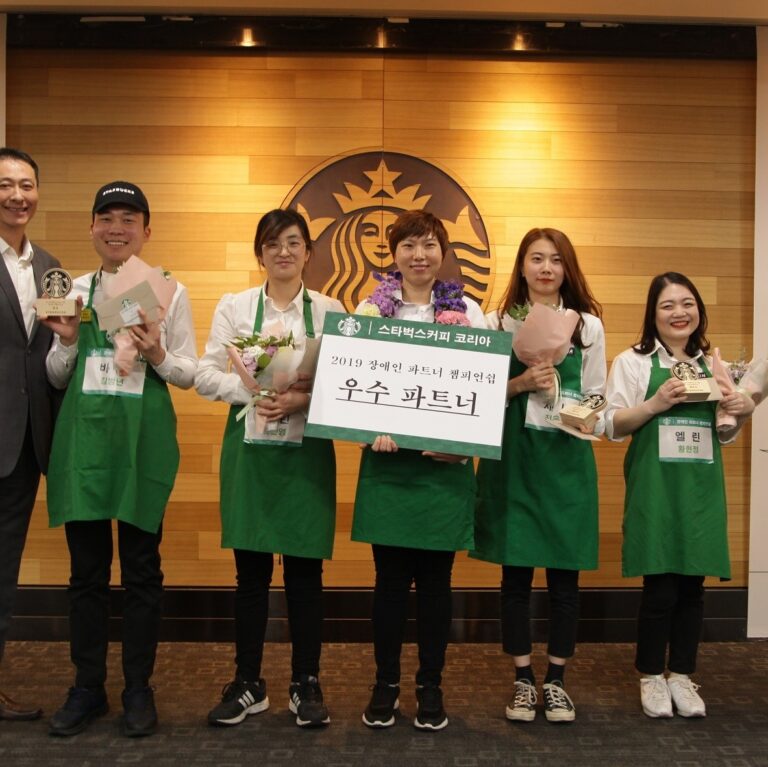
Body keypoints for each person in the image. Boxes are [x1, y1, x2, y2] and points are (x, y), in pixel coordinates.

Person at [44, 181, 198, 737]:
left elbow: (187, 372)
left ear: (146, 231)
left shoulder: (168, 290)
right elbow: (55, 376)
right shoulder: (71, 290)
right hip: (85, 446)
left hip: (140, 447)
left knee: (141, 572)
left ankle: (138, 688)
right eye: (106, 218)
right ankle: (87, 686)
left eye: (128, 219)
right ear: (92, 228)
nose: (116, 228)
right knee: (85, 575)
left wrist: (156, 351)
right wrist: (66, 340)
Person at [195, 208, 343, 729]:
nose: (284, 251)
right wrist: (252, 391)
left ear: (308, 252)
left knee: (305, 575)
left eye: (294, 242)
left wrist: (301, 400)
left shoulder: (330, 310)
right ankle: (248, 682)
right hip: (250, 451)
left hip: (306, 454)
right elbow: (205, 374)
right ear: (260, 253)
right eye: (273, 243)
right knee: (251, 575)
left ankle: (306, 682)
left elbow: (344, 386)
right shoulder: (234, 306)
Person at [351, 209, 486, 732]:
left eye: (428, 244)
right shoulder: (369, 310)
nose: (419, 255)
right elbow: (350, 383)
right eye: (408, 245)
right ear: (394, 255)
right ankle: (384, 684)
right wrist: (370, 429)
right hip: (388, 467)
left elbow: (483, 390)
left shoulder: (468, 312)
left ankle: (431, 685)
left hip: (442, 472)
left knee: (435, 585)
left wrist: (463, 447)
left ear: (443, 252)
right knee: (388, 583)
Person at [605, 272, 754, 719]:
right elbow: (612, 425)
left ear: (699, 312)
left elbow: (723, 435)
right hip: (656, 488)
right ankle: (651, 676)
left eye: (687, 303)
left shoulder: (714, 364)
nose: (679, 313)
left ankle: (682, 675)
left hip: (700, 490)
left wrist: (742, 410)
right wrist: (656, 403)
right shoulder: (632, 362)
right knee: (660, 587)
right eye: (668, 305)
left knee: (693, 587)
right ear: (653, 314)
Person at [472, 228, 605, 724]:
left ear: (567, 269)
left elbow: (597, 395)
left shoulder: (588, 326)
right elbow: (477, 394)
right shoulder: (497, 322)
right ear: (522, 266)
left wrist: (572, 411)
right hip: (513, 460)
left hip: (566, 463)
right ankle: (524, 679)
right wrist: (521, 383)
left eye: (556, 260)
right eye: (536, 258)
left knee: (565, 579)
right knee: (515, 576)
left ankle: (557, 682)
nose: (546, 268)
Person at [0, 147, 61, 722]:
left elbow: (49, 354)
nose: (17, 195)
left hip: (22, 447)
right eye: (5, 184)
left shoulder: (50, 268)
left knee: (3, 570)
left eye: (26, 185)